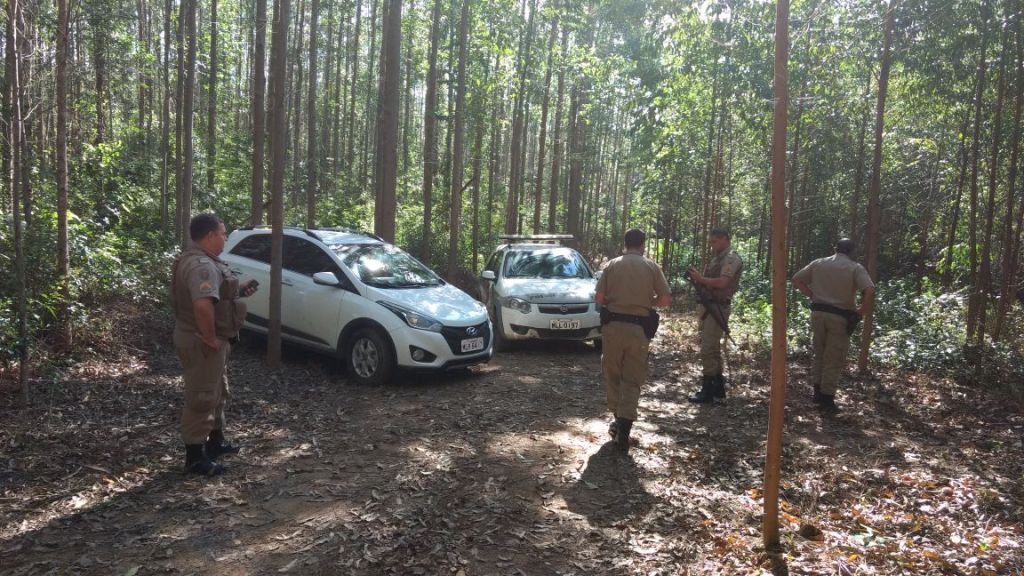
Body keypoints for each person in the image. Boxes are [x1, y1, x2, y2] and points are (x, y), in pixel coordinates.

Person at [171, 214, 257, 475]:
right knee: (202, 395)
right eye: (222, 233)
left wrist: (240, 291)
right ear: (209, 235)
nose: (225, 237)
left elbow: (215, 297)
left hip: (213, 340)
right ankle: (195, 457)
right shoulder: (201, 266)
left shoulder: (207, 262)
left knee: (217, 390)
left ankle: (214, 442)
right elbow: (202, 304)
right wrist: (209, 338)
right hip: (202, 342)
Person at [595, 228, 672, 452]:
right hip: (639, 330)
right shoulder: (651, 267)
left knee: (612, 373)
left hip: (613, 328)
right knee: (633, 377)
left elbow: (599, 298)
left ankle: (618, 420)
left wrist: (616, 302)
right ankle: (624, 427)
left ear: (625, 243)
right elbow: (666, 300)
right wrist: (647, 303)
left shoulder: (611, 265)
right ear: (642, 245)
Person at [792, 238, 875, 413]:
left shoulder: (819, 263)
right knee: (834, 357)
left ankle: (817, 393)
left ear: (835, 248)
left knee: (819, 353)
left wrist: (812, 295)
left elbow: (797, 279)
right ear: (852, 251)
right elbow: (869, 289)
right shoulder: (855, 267)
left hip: (818, 313)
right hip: (840, 316)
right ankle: (827, 399)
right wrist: (861, 312)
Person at [686, 228, 743, 403]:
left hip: (717, 307)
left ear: (725, 239)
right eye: (711, 242)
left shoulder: (731, 258)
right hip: (708, 307)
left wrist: (701, 279)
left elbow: (723, 282)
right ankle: (718, 389)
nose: (712, 245)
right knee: (712, 348)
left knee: (708, 349)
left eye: (714, 242)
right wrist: (698, 278)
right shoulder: (718, 257)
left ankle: (708, 390)